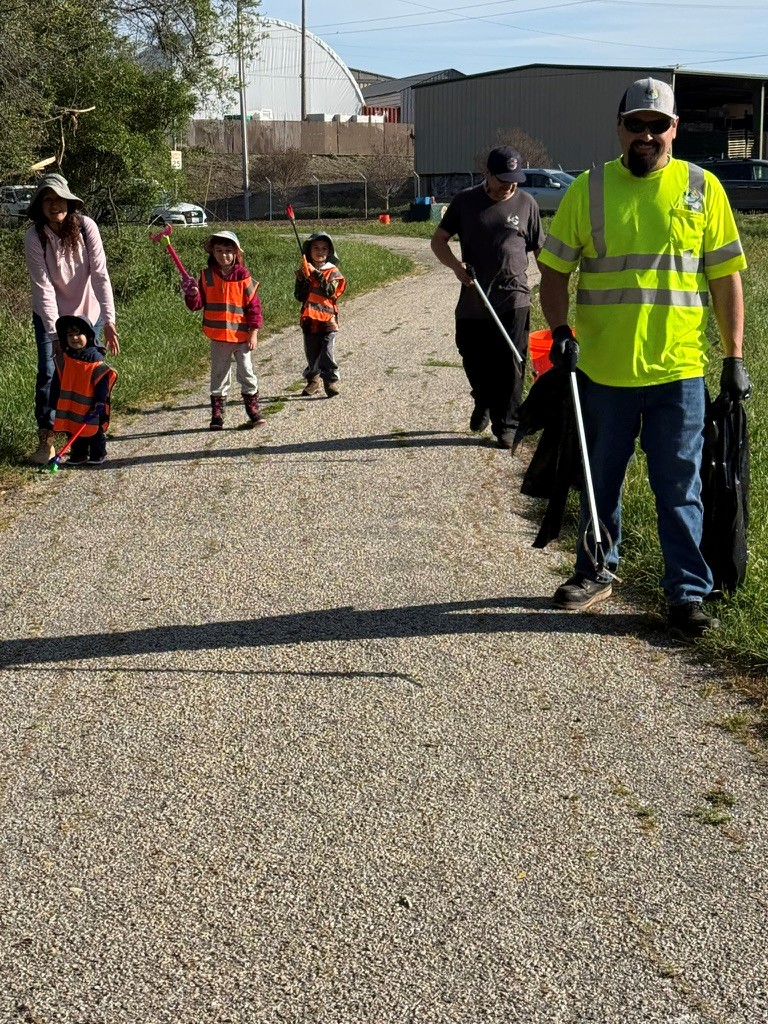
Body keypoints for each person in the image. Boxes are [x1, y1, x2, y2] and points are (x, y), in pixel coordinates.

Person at [537, 77, 751, 639]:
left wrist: (734, 356)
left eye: (659, 125)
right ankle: (595, 570)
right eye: (637, 125)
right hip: (603, 372)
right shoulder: (590, 188)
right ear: (620, 127)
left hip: (678, 372)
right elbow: (554, 271)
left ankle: (686, 592)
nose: (647, 135)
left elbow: (725, 278)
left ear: (674, 128)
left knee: (680, 487)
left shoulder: (703, 189)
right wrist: (559, 330)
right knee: (599, 481)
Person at [430, 147, 544, 448]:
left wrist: (552, 282)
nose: (510, 185)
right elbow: (439, 240)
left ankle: (506, 424)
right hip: (475, 296)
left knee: (511, 360)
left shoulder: (527, 204)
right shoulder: (466, 202)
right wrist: (456, 267)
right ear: (487, 175)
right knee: (472, 355)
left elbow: (539, 249)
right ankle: (482, 398)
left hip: (514, 296)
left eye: (515, 178)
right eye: (503, 179)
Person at [24, 173, 119, 465]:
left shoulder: (86, 227)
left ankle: (89, 435)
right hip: (51, 317)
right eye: (47, 199)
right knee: (50, 374)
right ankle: (48, 440)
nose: (54, 205)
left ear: (70, 201)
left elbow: (100, 274)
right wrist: (55, 336)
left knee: (88, 377)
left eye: (59, 198)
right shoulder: (35, 236)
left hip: (89, 315)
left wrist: (109, 320)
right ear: (40, 206)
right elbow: (43, 288)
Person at [182, 230, 265, 430]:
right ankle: (217, 415)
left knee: (246, 372)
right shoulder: (206, 275)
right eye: (219, 250)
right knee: (219, 374)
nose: (224, 255)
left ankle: (253, 410)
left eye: (228, 251)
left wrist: (253, 331)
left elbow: (254, 306)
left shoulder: (243, 275)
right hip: (219, 336)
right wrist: (192, 293)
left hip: (242, 336)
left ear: (236, 253)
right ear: (213, 252)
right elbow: (196, 305)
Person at [49, 315, 117, 466]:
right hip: (71, 407)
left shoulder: (95, 359)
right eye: (70, 335)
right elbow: (58, 380)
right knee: (73, 431)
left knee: (93, 432)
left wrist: (100, 402)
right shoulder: (65, 359)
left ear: (88, 336)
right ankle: (79, 454)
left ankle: (98, 453)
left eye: (78, 334)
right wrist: (54, 400)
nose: (74, 338)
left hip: (91, 406)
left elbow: (101, 382)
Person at [294, 232, 347, 398]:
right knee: (312, 352)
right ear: (309, 251)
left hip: (328, 319)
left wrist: (316, 274)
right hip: (309, 318)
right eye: (316, 248)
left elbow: (330, 292)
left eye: (324, 248)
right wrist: (305, 280)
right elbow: (299, 296)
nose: (320, 251)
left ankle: (329, 381)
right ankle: (313, 380)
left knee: (327, 351)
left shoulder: (332, 272)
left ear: (329, 252)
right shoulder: (303, 271)